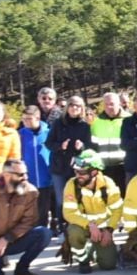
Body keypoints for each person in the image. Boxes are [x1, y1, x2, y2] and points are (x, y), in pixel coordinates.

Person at [62, 150, 123, 274]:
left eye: (82, 172)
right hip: (83, 226)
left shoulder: (108, 183)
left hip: (103, 228)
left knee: (109, 265)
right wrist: (90, 224)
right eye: (76, 171)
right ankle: (83, 260)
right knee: (73, 231)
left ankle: (96, 250)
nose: (78, 175)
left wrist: (109, 230)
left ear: (94, 171)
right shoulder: (71, 185)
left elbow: (117, 209)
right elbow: (69, 213)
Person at [46, 96, 97, 234]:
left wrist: (82, 147)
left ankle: (78, 226)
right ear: (67, 107)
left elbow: (91, 147)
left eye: (78, 106)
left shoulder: (85, 126)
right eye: (72, 105)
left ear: (82, 109)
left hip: (78, 168)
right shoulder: (58, 123)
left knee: (78, 198)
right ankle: (63, 228)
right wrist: (60, 146)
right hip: (59, 167)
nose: (75, 108)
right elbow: (48, 143)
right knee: (61, 199)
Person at [19, 106, 53, 229]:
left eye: (29, 119)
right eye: (24, 119)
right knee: (30, 206)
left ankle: (45, 228)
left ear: (37, 118)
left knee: (45, 205)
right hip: (29, 178)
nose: (26, 122)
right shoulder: (21, 134)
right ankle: (32, 229)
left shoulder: (48, 132)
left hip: (46, 176)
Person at [91, 93, 131, 193]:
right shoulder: (96, 122)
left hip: (123, 167)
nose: (109, 107)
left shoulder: (129, 119)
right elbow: (93, 145)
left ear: (119, 104)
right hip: (103, 168)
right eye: (106, 104)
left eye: (112, 104)